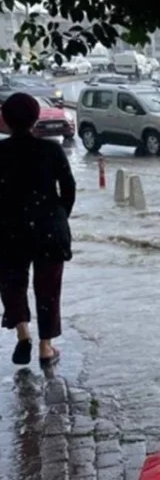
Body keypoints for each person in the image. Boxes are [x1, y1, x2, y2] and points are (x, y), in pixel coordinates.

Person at [0, 92, 76, 367]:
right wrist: (58, 217)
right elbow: (68, 189)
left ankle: (23, 334)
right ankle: (46, 347)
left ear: (6, 120)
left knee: (12, 283)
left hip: (9, 230)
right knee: (48, 288)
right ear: (35, 118)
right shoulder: (51, 150)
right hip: (48, 230)